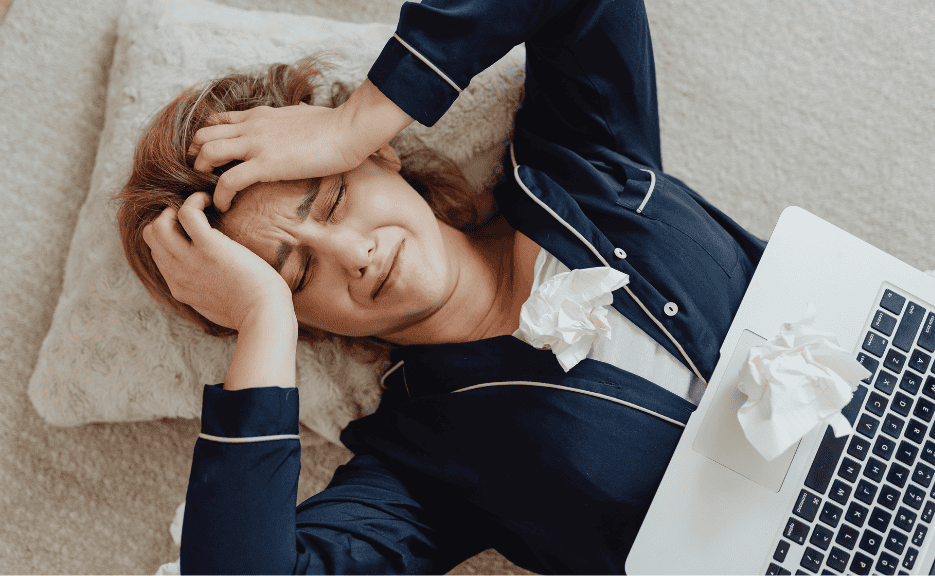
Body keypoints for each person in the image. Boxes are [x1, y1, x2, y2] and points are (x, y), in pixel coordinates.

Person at [120, 0, 769, 572]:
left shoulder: (577, 157)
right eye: (298, 274)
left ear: (379, 155)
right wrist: (262, 319)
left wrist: (356, 119)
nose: (355, 254)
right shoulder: (417, 463)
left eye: (336, 198)